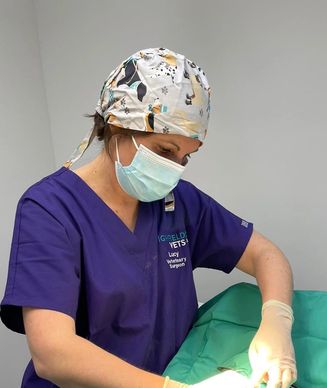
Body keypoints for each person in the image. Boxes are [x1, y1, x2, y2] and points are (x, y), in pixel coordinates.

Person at [0, 47, 297, 388]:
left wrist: (277, 320)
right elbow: (52, 352)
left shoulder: (178, 202)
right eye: (165, 151)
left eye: (186, 157)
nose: (174, 169)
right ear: (117, 128)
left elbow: (266, 254)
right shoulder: (50, 209)